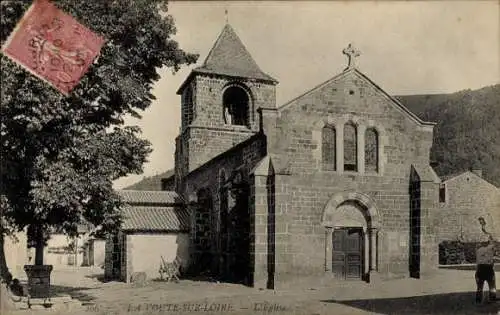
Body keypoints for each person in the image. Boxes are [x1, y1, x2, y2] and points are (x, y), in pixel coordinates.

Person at [475, 234, 498, 303]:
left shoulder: (478, 250)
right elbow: (493, 243)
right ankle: (492, 297)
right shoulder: (490, 248)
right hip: (488, 268)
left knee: (479, 286)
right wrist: (490, 235)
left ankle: (478, 299)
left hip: (480, 268)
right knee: (492, 285)